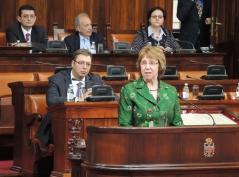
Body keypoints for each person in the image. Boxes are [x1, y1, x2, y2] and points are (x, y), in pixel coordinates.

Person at [35, 49, 118, 155]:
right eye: (81, 63)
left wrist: (101, 96)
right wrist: (78, 99)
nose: (85, 67)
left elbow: (115, 98)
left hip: (89, 124)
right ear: (73, 63)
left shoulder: (95, 79)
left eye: (88, 64)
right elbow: (51, 100)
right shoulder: (57, 79)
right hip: (59, 125)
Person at [118, 45, 184, 127]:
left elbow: (178, 125)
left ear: (159, 66)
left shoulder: (171, 91)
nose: (147, 67)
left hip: (167, 139)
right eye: (144, 63)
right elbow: (125, 125)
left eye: (152, 63)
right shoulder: (129, 90)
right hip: (138, 139)